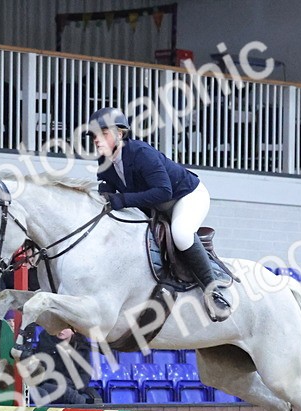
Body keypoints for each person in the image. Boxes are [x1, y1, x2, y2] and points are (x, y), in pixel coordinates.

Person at [89, 107, 233, 322]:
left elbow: (163, 191)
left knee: (182, 233)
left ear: (120, 134)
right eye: (93, 136)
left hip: (186, 196)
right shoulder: (104, 162)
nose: (97, 140)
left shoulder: (141, 153)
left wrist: (123, 200)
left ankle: (213, 293)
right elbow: (108, 188)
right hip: (156, 206)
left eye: (104, 134)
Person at [33, 328, 102, 405]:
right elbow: (44, 370)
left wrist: (77, 388)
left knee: (94, 396)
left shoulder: (82, 346)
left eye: (64, 327)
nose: (60, 330)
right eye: (58, 326)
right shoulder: (46, 340)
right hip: (48, 383)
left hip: (73, 387)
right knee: (68, 394)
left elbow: (85, 373)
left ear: (74, 330)